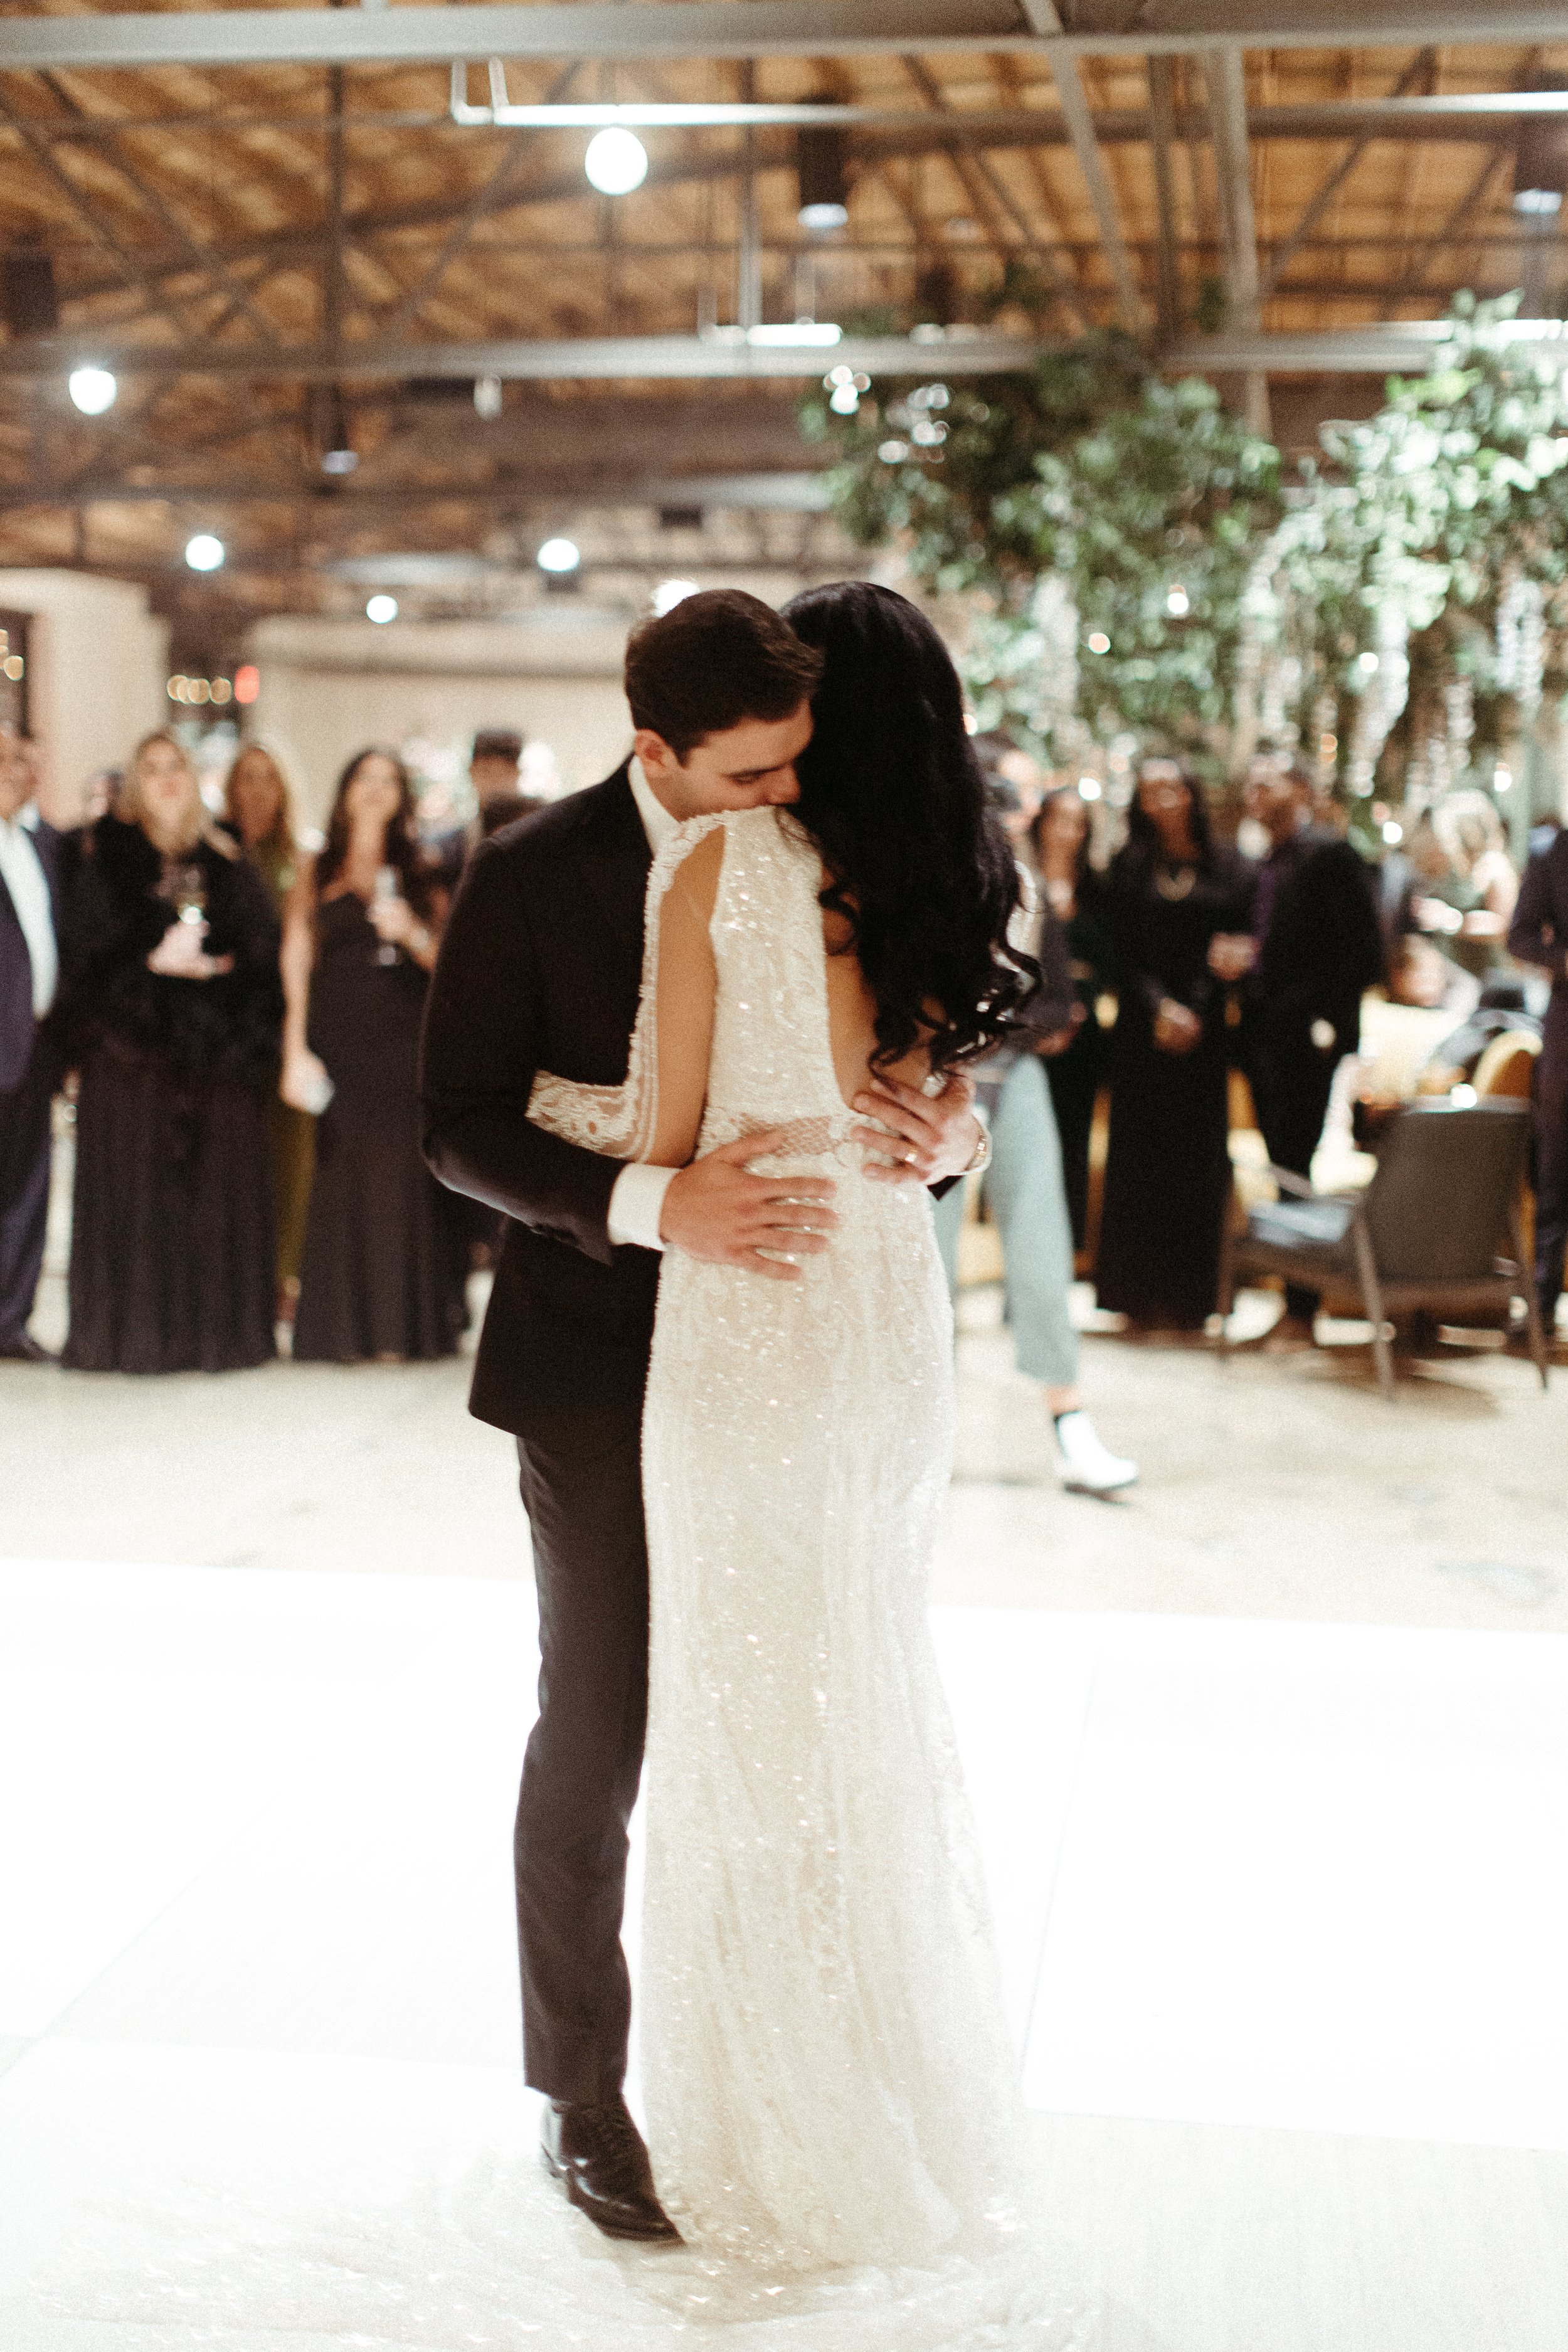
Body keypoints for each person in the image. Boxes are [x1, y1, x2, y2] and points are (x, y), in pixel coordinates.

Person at [420, 588, 993, 2275]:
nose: (772, 796)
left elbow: (911, 1032)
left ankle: (781, 2055)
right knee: (596, 1722)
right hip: (601, 1349)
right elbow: (453, 1124)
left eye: (788, 768)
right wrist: (659, 1198)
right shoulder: (532, 867)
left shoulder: (810, 841)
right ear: (655, 744)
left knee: (799, 1709)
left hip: (800, 1347)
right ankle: (581, 2090)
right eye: (743, 775)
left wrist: (936, 1122)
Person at [933, 781, 1136, 1496]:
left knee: (1043, 1244)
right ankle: (924, 1429)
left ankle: (1066, 1420)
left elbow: (1055, 998)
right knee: (930, 1258)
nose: (1027, 817)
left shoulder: (1023, 890)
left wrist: (1007, 1033)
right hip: (934, 1086)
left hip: (1012, 1079)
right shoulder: (931, 881)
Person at [61, 732, 282, 1374]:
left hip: (214, 1058)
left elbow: (262, 958)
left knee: (210, 1199)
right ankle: (136, 1337)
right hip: (133, 1060)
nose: (165, 779)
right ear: (134, 782)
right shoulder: (104, 858)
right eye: (150, 769)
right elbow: (83, 962)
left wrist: (220, 970)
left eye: (175, 767)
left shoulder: (227, 859)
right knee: (138, 1197)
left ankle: (216, 1336)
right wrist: (147, 963)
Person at [282, 747, 465, 1364]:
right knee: (341, 1169)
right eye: (365, 777)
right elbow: (296, 957)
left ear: (401, 796)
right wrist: (294, 1047)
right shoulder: (318, 865)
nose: (376, 789)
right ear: (346, 788)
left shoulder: (423, 869)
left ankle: (400, 1329)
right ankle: (340, 1332)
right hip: (339, 1033)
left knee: (401, 1175)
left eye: (389, 781)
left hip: (402, 1033)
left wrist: (410, 933)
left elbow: (451, 963)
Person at [1094, 753, 1255, 1333]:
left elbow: (1235, 948)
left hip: (1206, 1035)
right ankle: (1135, 1298)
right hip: (1142, 1031)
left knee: (1197, 1160)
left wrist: (1196, 1008)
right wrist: (1160, 1007)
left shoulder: (1230, 866)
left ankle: (1193, 1300)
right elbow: (1120, 953)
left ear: (1192, 792)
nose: (1161, 798)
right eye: (1149, 790)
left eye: (1172, 787)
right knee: (1140, 1161)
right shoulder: (1129, 866)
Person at [1233, 751, 1385, 1346]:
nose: (1253, 791)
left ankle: (1303, 1311)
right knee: (1281, 1164)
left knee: (1295, 1162)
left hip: (1306, 1038)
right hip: (1263, 1034)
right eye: (1250, 782)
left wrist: (1324, 1023)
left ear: (1299, 790)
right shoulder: (1265, 862)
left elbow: (1363, 950)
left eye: (1265, 782)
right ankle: (1292, 1306)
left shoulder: (1331, 855)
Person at [224, 741, 314, 1316]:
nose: (257, 790)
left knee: (293, 1158)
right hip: (232, 1029)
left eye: (268, 780)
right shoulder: (215, 852)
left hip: (289, 1029)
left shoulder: (299, 861)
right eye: (246, 779)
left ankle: (286, 1278)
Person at [0, 726, 65, 1362]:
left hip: (33, 1048)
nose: (19, 772)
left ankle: (10, 1320)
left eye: (25, 762)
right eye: (7, 762)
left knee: (25, 1190)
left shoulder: (46, 843)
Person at [1031, 783, 1111, 1253]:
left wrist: (1081, 1004)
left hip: (1081, 1035)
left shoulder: (1096, 889)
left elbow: (1109, 960)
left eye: (1078, 823)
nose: (1068, 831)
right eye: (1059, 819)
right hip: (1026, 1032)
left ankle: (1067, 1254)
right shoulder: (1019, 875)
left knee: (1072, 1147)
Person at [1508, 821, 1568, 1337]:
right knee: (1555, 1174)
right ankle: (1542, 1307)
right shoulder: (1556, 852)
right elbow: (1520, 935)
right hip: (1567, 1030)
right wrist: (1564, 960)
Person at [1419, 792, 1520, 982]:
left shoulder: (1496, 864)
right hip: (1458, 974)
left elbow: (1505, 926)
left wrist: (1452, 921)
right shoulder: (1461, 867)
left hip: (1489, 977)